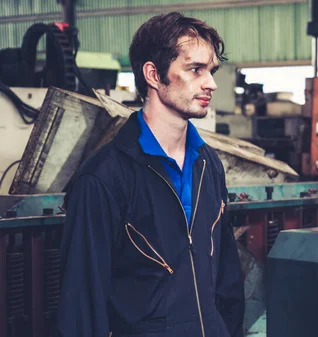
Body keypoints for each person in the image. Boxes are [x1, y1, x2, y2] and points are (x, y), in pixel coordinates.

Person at [55, 12, 244, 337]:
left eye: (211, 70)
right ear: (154, 74)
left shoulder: (207, 164)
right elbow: (81, 308)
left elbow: (227, 277)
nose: (211, 83)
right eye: (195, 69)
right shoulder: (104, 178)